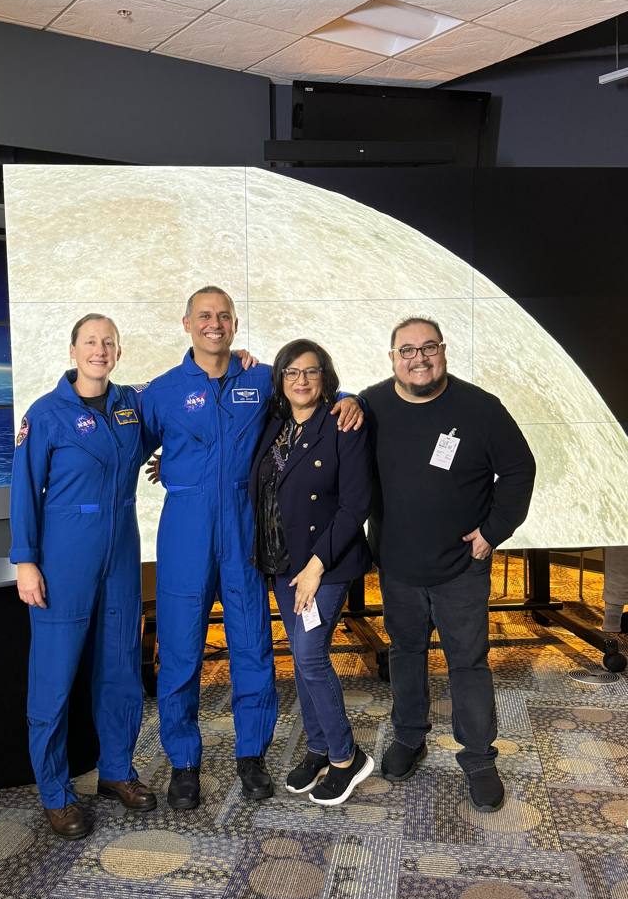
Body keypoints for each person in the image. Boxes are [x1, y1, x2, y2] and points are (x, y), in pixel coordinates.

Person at [140, 287, 362, 811]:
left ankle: (251, 757)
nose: (213, 324)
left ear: (235, 324)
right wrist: (166, 463)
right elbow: (131, 442)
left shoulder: (259, 379)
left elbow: (310, 389)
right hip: (186, 530)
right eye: (204, 316)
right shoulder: (162, 391)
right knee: (179, 652)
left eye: (223, 316)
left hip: (244, 531)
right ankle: (184, 764)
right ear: (186, 323)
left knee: (252, 647)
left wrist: (352, 398)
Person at [362, 316, 536, 812]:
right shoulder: (370, 404)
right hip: (397, 565)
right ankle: (410, 735)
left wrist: (493, 533)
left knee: (468, 663)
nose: (419, 358)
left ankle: (479, 756)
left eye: (428, 348)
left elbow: (520, 469)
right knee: (405, 653)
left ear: (443, 351)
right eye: (407, 350)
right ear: (393, 358)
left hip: (462, 566)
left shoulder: (481, 408)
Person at [10, 314, 156, 839]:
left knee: (120, 671)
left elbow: (185, 414)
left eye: (108, 343)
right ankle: (55, 792)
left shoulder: (130, 408)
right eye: (90, 342)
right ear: (73, 350)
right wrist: (25, 561)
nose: (99, 350)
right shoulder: (46, 415)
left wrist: (244, 362)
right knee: (53, 683)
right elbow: (23, 490)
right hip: (63, 559)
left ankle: (117, 771)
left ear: (118, 352)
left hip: (120, 558)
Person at [250, 340, 374, 806]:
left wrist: (316, 568)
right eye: (291, 373)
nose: (301, 381)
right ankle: (319, 746)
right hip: (282, 564)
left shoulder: (344, 424)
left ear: (326, 376)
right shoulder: (275, 424)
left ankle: (345, 756)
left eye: (311, 372)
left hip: (324, 565)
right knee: (302, 659)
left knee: (309, 653)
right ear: (280, 380)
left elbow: (355, 504)